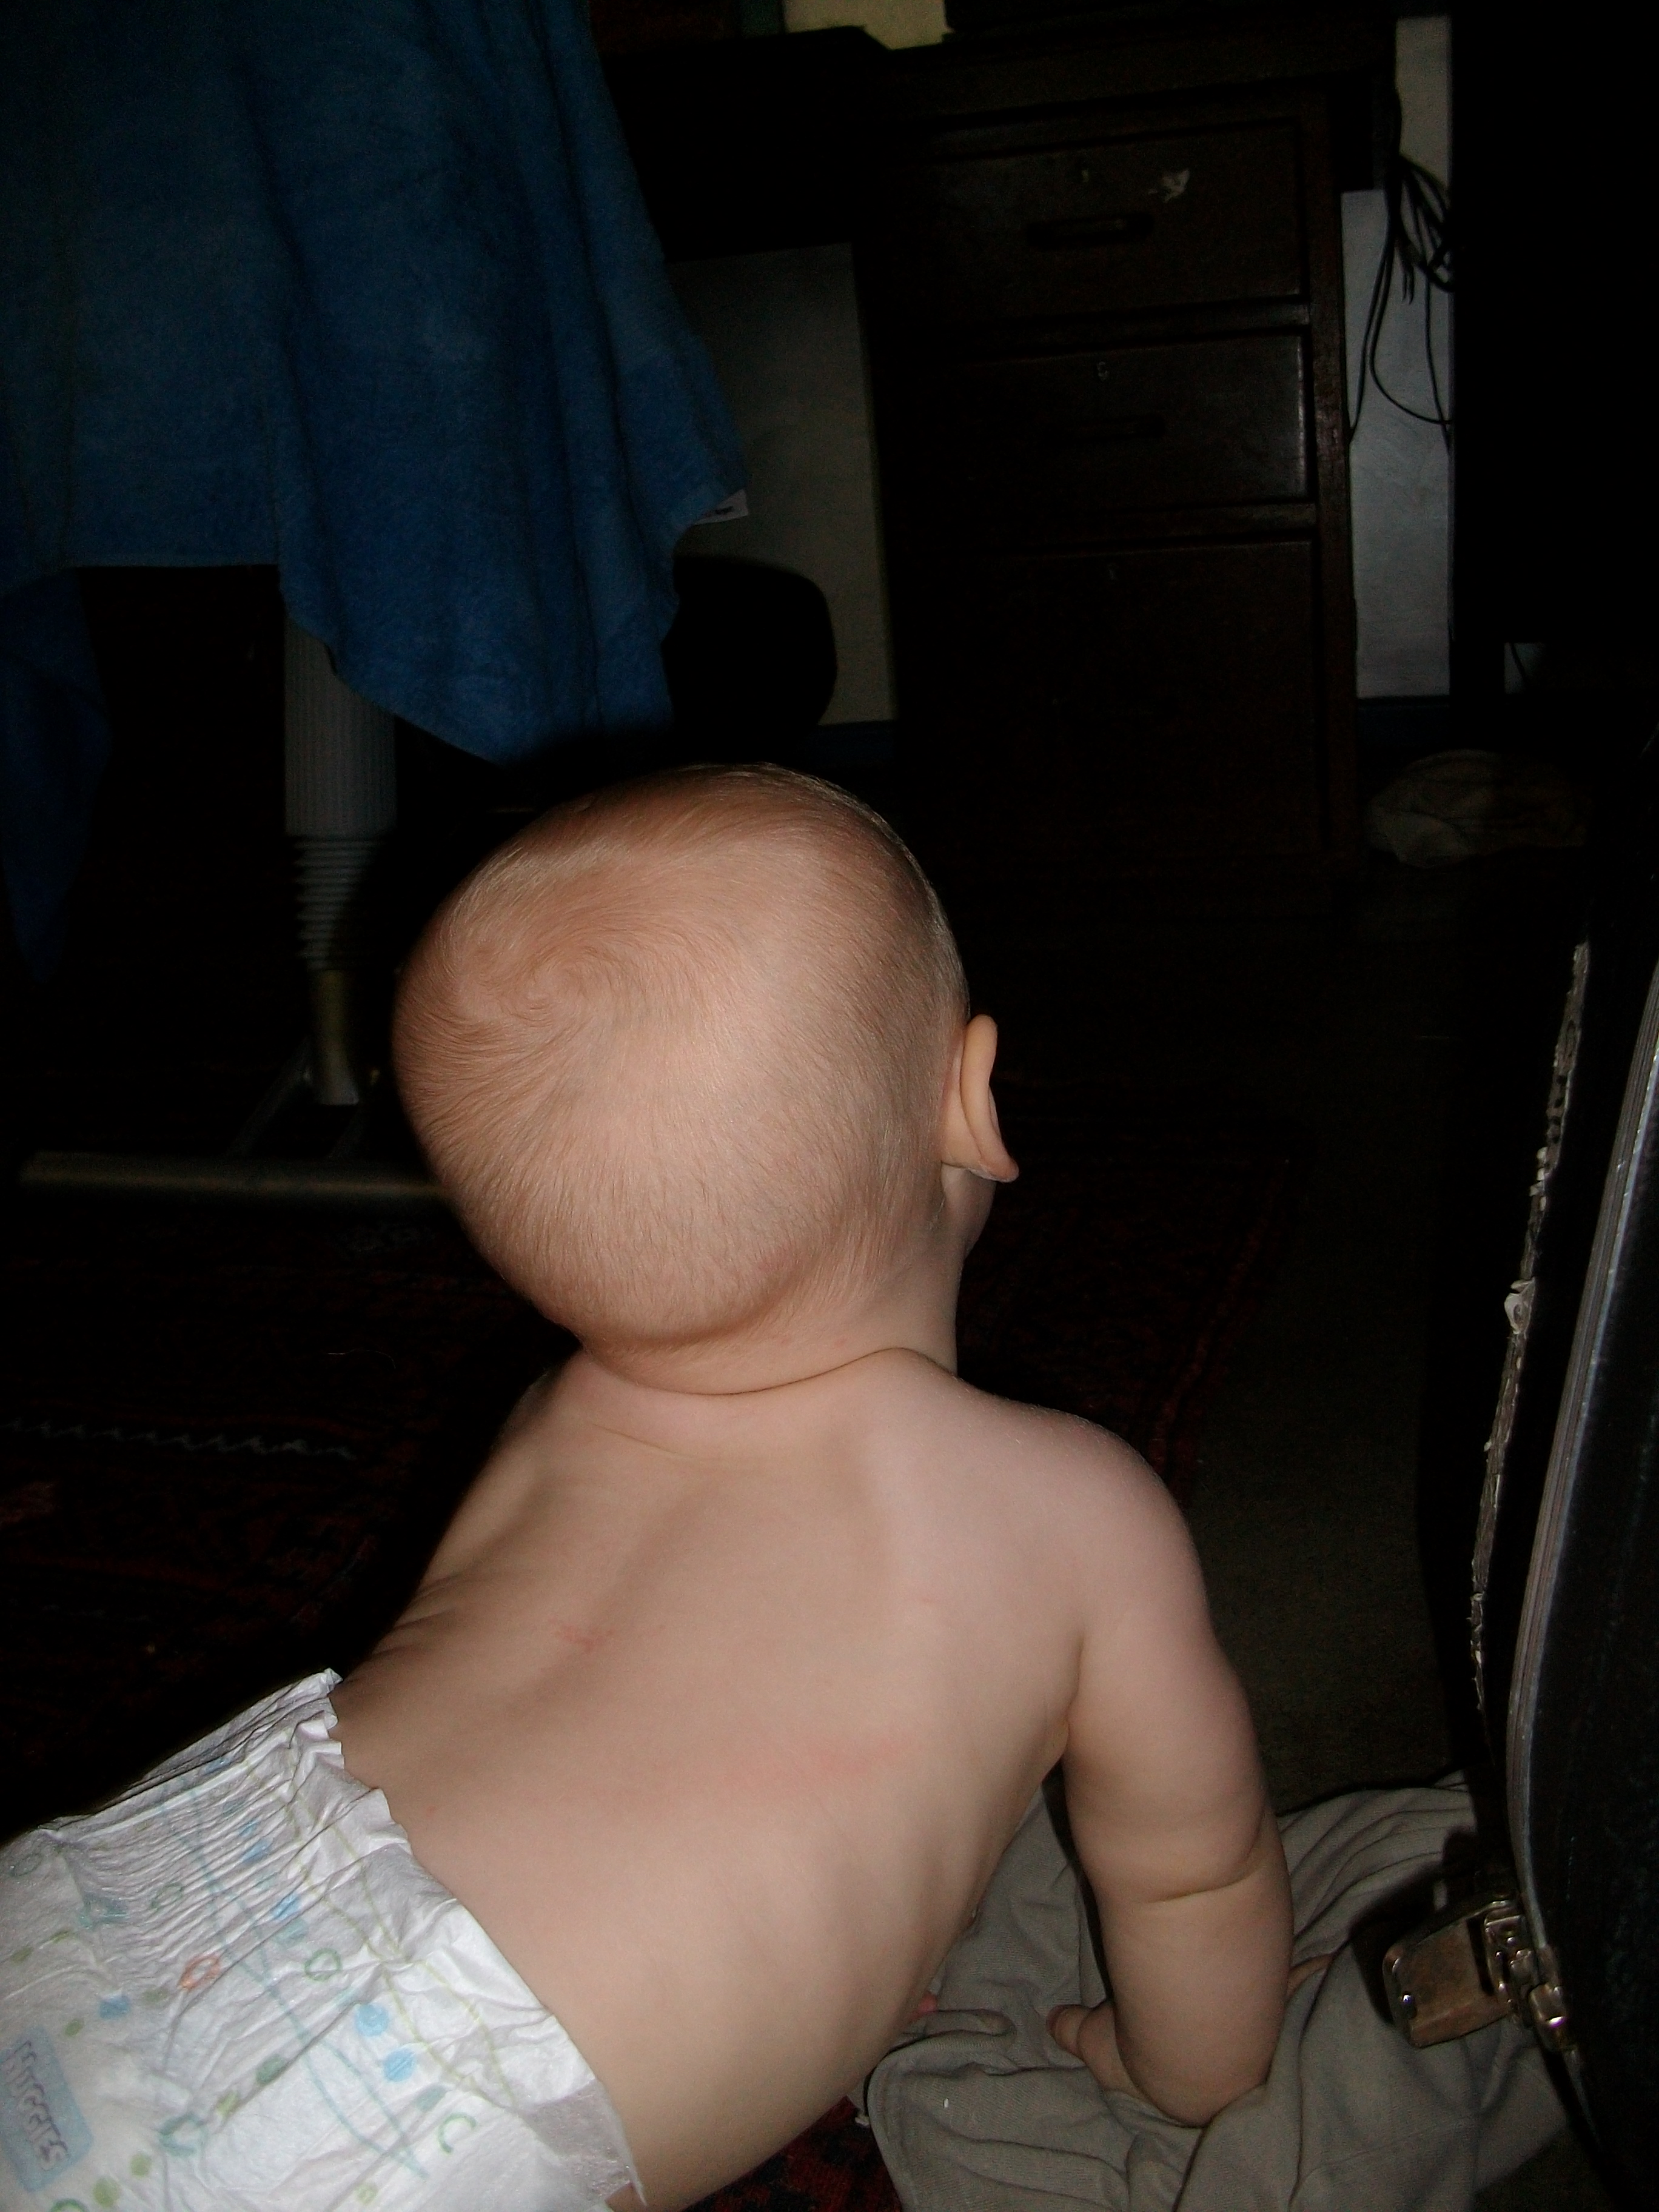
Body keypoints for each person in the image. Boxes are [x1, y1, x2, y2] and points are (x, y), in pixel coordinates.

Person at [0, 766, 1291, 2212]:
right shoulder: (1081, 1515)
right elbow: (1193, 1876)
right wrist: (1178, 2071)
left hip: (133, 1894)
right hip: (417, 2102)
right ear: (974, 1102)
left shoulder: (546, 1422)